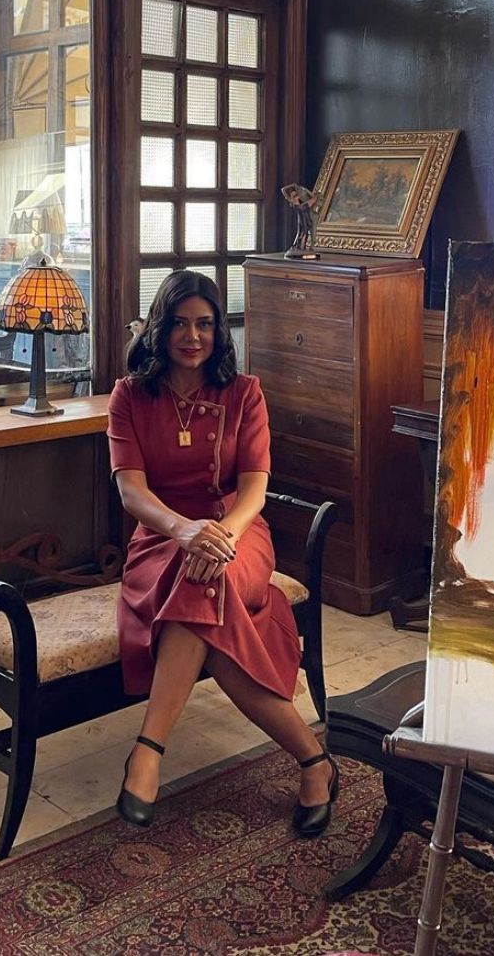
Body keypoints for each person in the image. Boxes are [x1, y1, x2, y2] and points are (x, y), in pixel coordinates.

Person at [106, 269, 338, 836]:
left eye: (205, 324)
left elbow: (255, 488)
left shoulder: (245, 392)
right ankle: (314, 760)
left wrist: (222, 535)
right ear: (160, 328)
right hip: (161, 537)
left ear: (219, 330)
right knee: (204, 592)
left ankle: (147, 750)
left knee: (209, 577)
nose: (193, 336)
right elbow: (131, 492)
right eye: (180, 323)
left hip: (238, 530)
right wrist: (185, 531)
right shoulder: (129, 395)